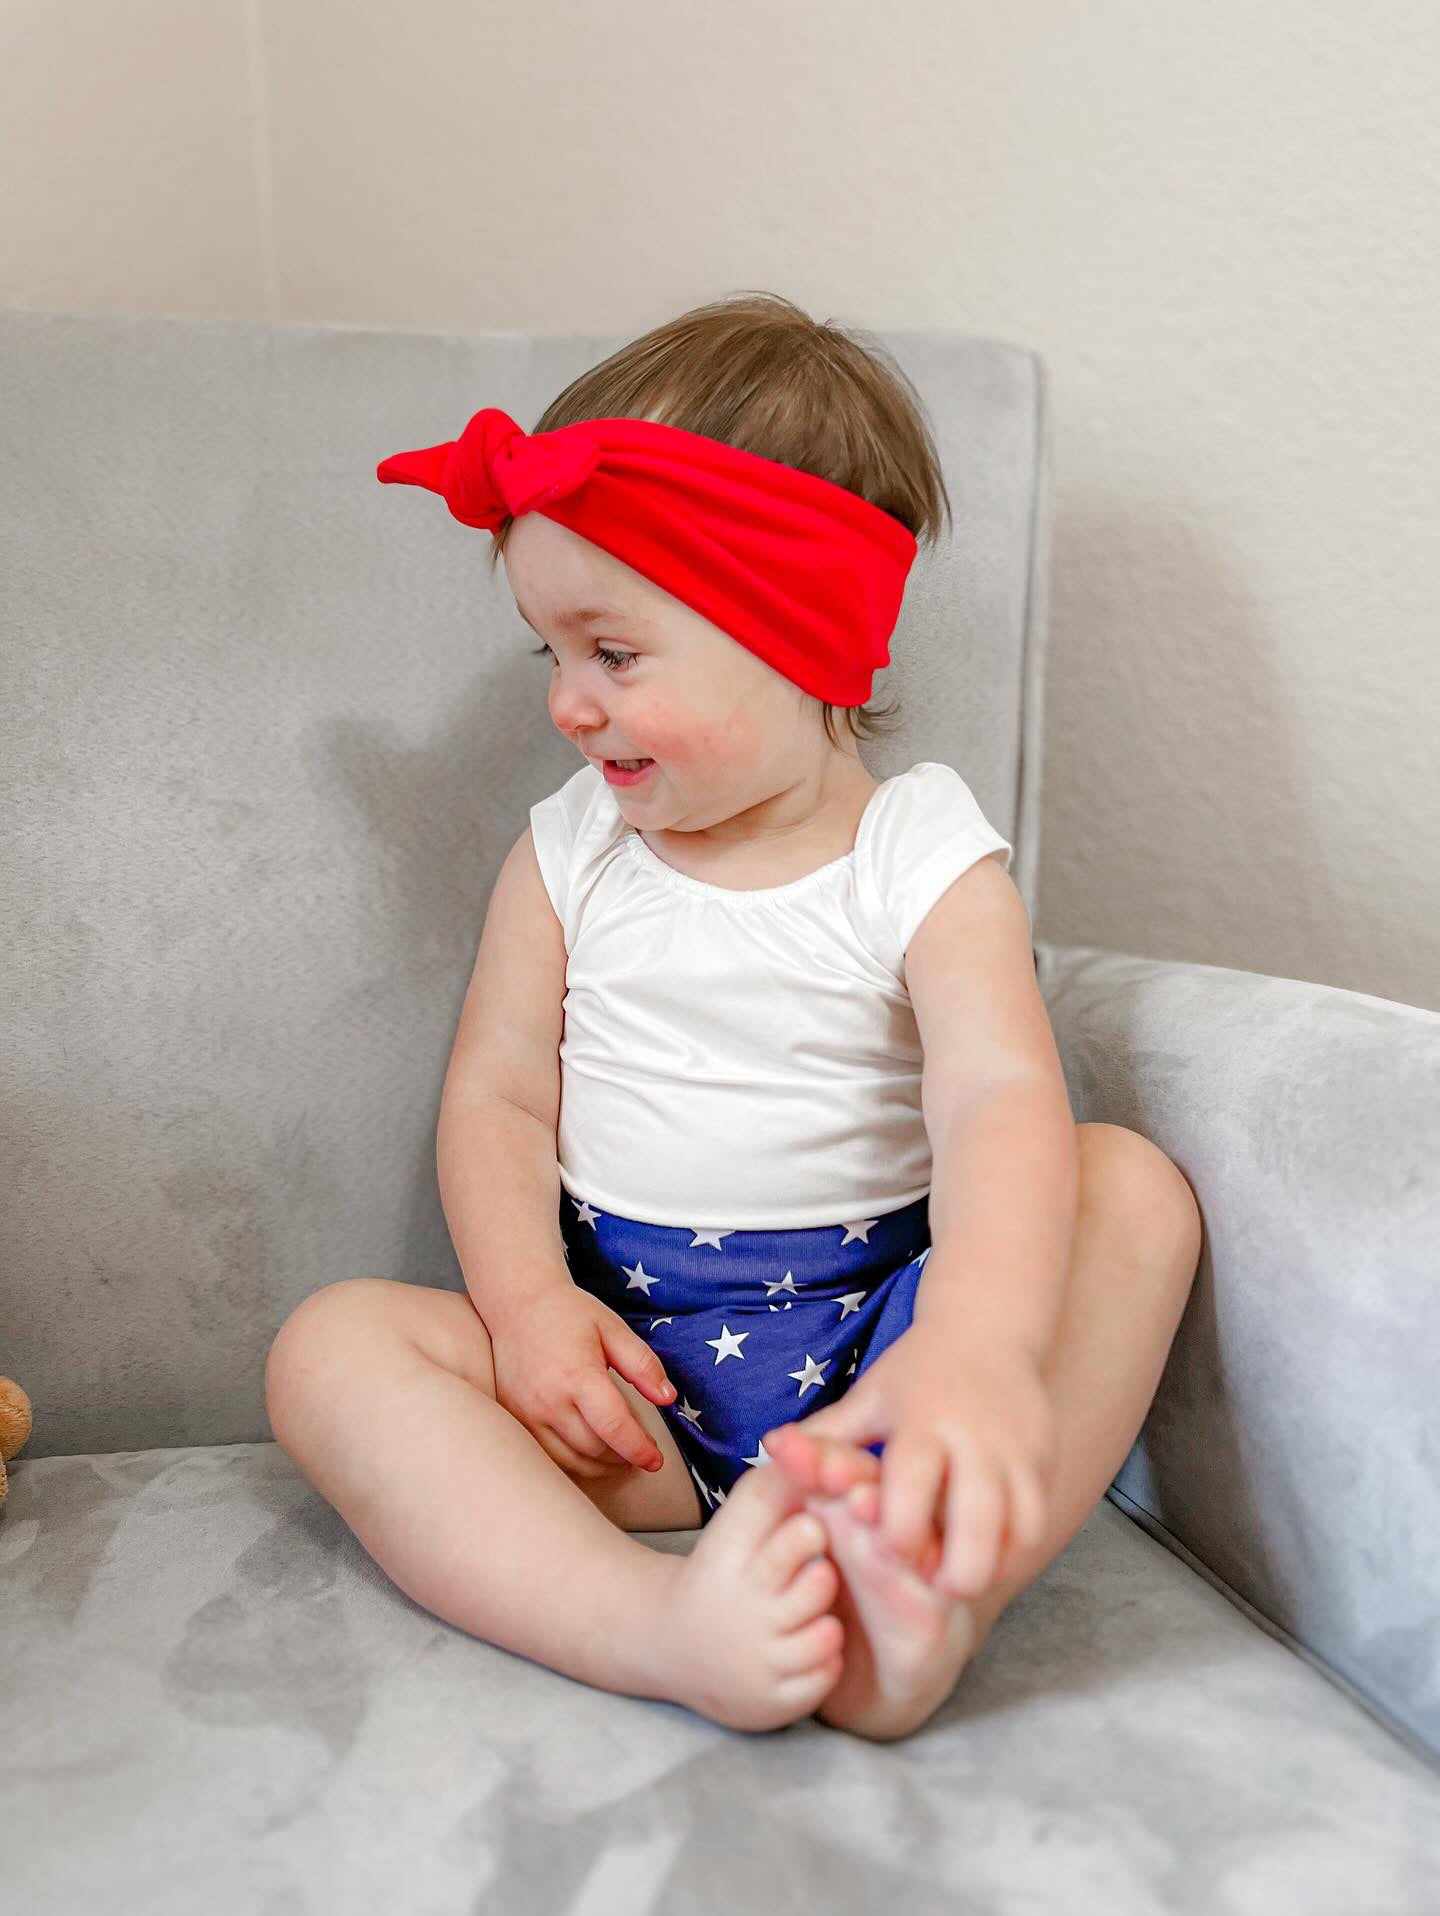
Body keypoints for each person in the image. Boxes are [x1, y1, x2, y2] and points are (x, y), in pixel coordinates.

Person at [264, 292, 1202, 1742]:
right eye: (549, 657)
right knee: (331, 1347)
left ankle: (920, 1593)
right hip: (629, 1385)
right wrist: (526, 1314)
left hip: (893, 1364)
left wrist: (973, 1344)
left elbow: (996, 1100)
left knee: (1130, 1190)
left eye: (614, 654)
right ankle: (647, 1623)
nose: (571, 706)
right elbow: (500, 1097)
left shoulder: (920, 857)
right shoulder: (572, 850)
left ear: (798, 630)